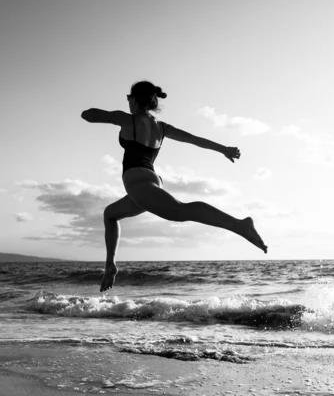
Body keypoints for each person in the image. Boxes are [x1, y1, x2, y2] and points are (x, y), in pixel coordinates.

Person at [81, 80, 267, 292]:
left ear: (134, 99)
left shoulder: (126, 119)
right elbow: (194, 139)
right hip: (150, 180)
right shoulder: (161, 127)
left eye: (128, 98)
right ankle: (110, 266)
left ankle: (240, 224)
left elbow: (88, 115)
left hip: (138, 181)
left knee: (180, 211)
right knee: (110, 214)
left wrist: (106, 115)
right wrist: (223, 149)